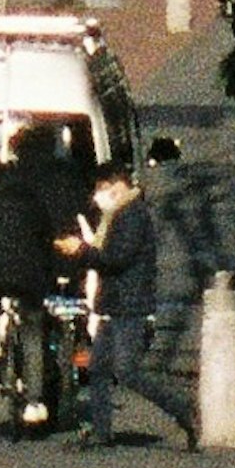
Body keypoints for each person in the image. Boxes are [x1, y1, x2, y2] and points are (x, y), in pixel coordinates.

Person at [0, 129, 68, 434]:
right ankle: (35, 403)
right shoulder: (36, 204)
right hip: (29, 278)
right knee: (33, 330)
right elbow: (45, 241)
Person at [83, 163, 162, 451]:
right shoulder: (116, 215)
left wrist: (82, 252)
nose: (97, 195)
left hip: (131, 304)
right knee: (98, 369)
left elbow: (116, 258)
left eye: (101, 188)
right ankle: (101, 433)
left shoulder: (132, 215)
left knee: (127, 372)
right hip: (114, 303)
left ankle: (182, 411)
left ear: (117, 186)